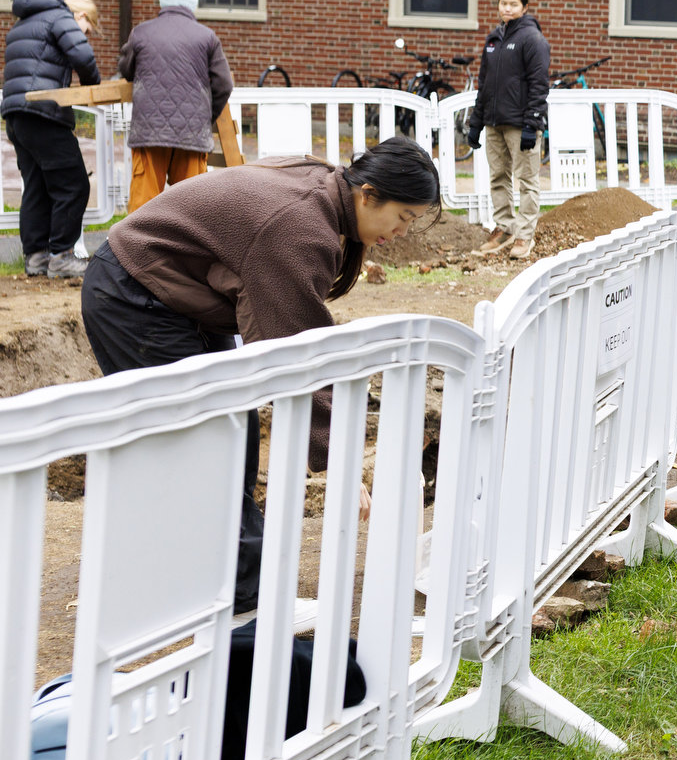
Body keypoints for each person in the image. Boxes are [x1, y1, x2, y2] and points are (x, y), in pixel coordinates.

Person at [80, 137, 441, 613]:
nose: (402, 231)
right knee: (208, 444)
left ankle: (212, 580)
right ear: (368, 194)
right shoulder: (298, 228)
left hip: (173, 295)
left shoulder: (325, 192)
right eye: (404, 217)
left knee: (233, 428)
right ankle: (247, 601)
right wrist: (342, 459)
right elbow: (297, 350)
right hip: (134, 294)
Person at [0, 0, 103, 279]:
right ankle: (61, 256)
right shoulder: (60, 17)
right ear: (81, 14)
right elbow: (83, 57)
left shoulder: (25, 22)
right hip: (44, 112)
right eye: (87, 28)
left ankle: (36, 258)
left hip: (17, 115)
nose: (85, 33)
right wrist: (92, 85)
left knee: (37, 188)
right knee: (74, 185)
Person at [121, 0, 235, 212]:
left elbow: (126, 70)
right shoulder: (207, 37)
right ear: (191, 4)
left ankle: (137, 250)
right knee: (192, 208)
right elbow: (224, 84)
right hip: (192, 134)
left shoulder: (141, 32)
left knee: (144, 204)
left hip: (149, 131)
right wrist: (205, 117)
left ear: (163, 1)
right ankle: (188, 251)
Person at [467, 0, 549, 261]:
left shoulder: (532, 39)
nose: (507, 8)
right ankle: (504, 227)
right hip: (494, 123)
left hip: (521, 124)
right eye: (504, 3)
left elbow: (539, 85)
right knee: (498, 177)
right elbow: (484, 85)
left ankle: (525, 235)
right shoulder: (493, 40)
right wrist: (476, 123)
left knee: (526, 180)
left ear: (524, 7)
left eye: (513, 4)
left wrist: (532, 123)